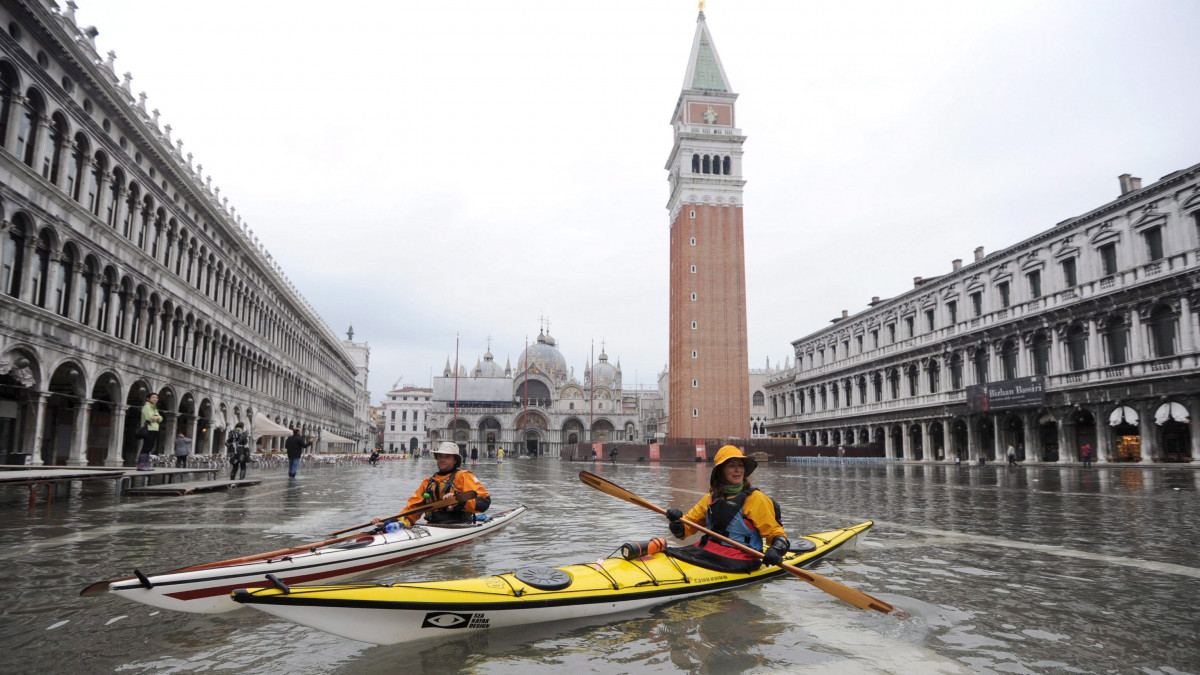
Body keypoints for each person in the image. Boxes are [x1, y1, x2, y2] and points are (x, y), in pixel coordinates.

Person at [663, 445, 788, 574]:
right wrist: (677, 522)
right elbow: (685, 530)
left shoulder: (756, 499)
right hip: (709, 549)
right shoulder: (710, 499)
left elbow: (776, 534)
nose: (738, 470)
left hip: (741, 557)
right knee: (667, 551)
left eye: (740, 465)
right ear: (721, 471)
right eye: (731, 466)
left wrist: (776, 549)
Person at [375, 441, 490, 530]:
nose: (442, 460)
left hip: (459, 525)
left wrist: (458, 498)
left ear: (455, 460)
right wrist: (390, 521)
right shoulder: (428, 482)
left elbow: (484, 503)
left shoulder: (463, 476)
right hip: (433, 526)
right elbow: (413, 509)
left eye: (447, 457)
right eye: (440, 456)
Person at [137, 393, 162, 471]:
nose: (155, 399)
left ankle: (145, 464)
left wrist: (157, 417)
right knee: (146, 446)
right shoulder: (147, 407)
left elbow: (161, 419)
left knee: (149, 447)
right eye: (153, 397)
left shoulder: (154, 408)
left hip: (154, 428)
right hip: (149, 428)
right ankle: (141, 465)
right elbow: (150, 418)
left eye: (156, 397)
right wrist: (157, 417)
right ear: (148, 399)